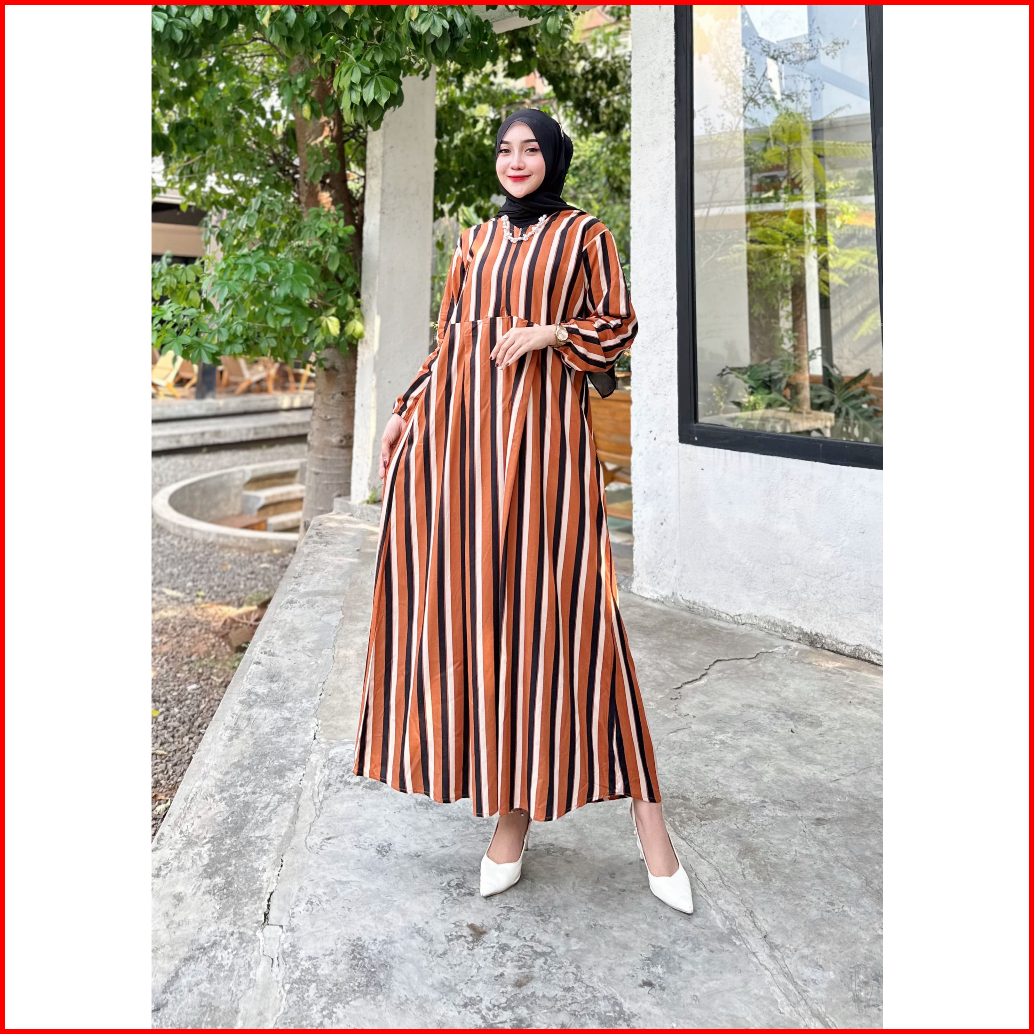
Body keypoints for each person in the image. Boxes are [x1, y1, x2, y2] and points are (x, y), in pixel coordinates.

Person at [352, 108, 694, 915]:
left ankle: (649, 822)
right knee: (494, 623)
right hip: (465, 451)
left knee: (575, 617)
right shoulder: (474, 242)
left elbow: (617, 326)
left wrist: (548, 332)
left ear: (553, 157)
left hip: (545, 454)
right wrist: (404, 409)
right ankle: (512, 816)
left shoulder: (585, 235)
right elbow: (450, 342)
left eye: (530, 148)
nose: (515, 160)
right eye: (505, 149)